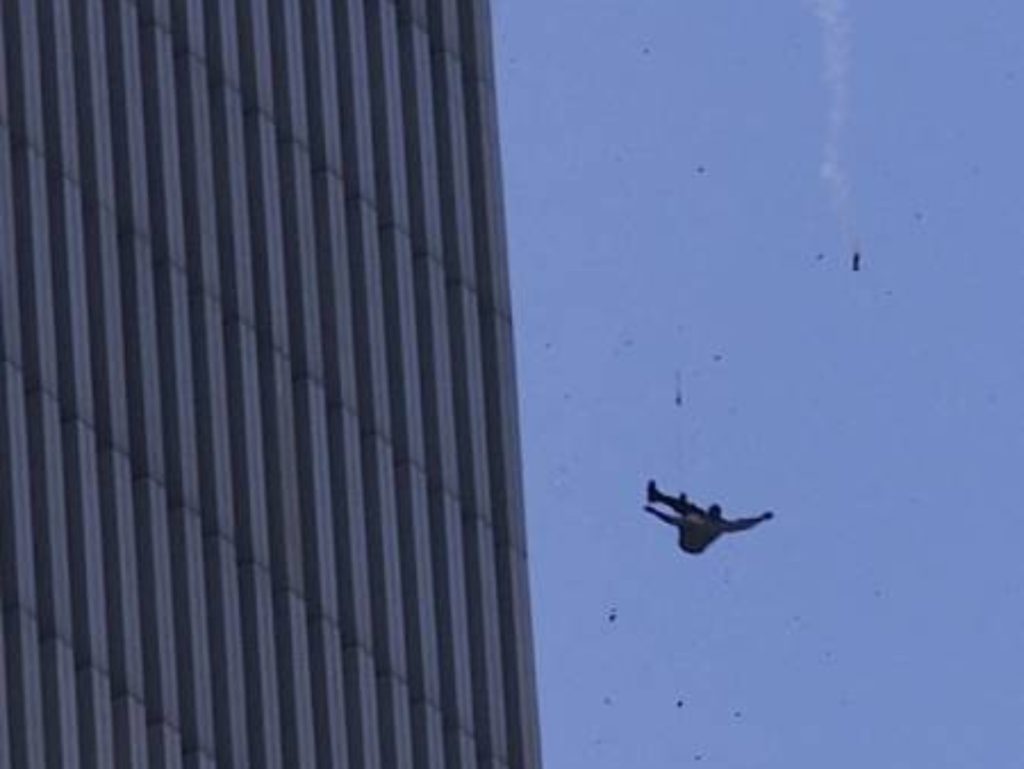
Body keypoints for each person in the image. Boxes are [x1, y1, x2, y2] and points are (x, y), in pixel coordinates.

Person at [644, 480, 773, 554]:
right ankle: (671, 501)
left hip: (690, 544)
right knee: (692, 512)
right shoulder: (720, 525)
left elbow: (671, 520)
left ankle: (662, 498)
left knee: (691, 515)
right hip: (694, 541)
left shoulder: (715, 525)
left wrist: (655, 513)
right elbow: (742, 525)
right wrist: (761, 518)